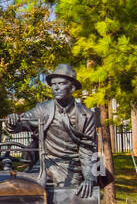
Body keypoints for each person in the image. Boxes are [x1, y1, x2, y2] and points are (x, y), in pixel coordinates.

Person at [5, 64, 102, 196]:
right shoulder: (43, 109)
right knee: (23, 189)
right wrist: (13, 121)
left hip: (71, 168)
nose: (55, 88)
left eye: (61, 84)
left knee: (69, 200)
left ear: (72, 87)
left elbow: (87, 150)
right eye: (53, 84)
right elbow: (23, 123)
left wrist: (89, 179)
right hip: (45, 164)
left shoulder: (87, 116)